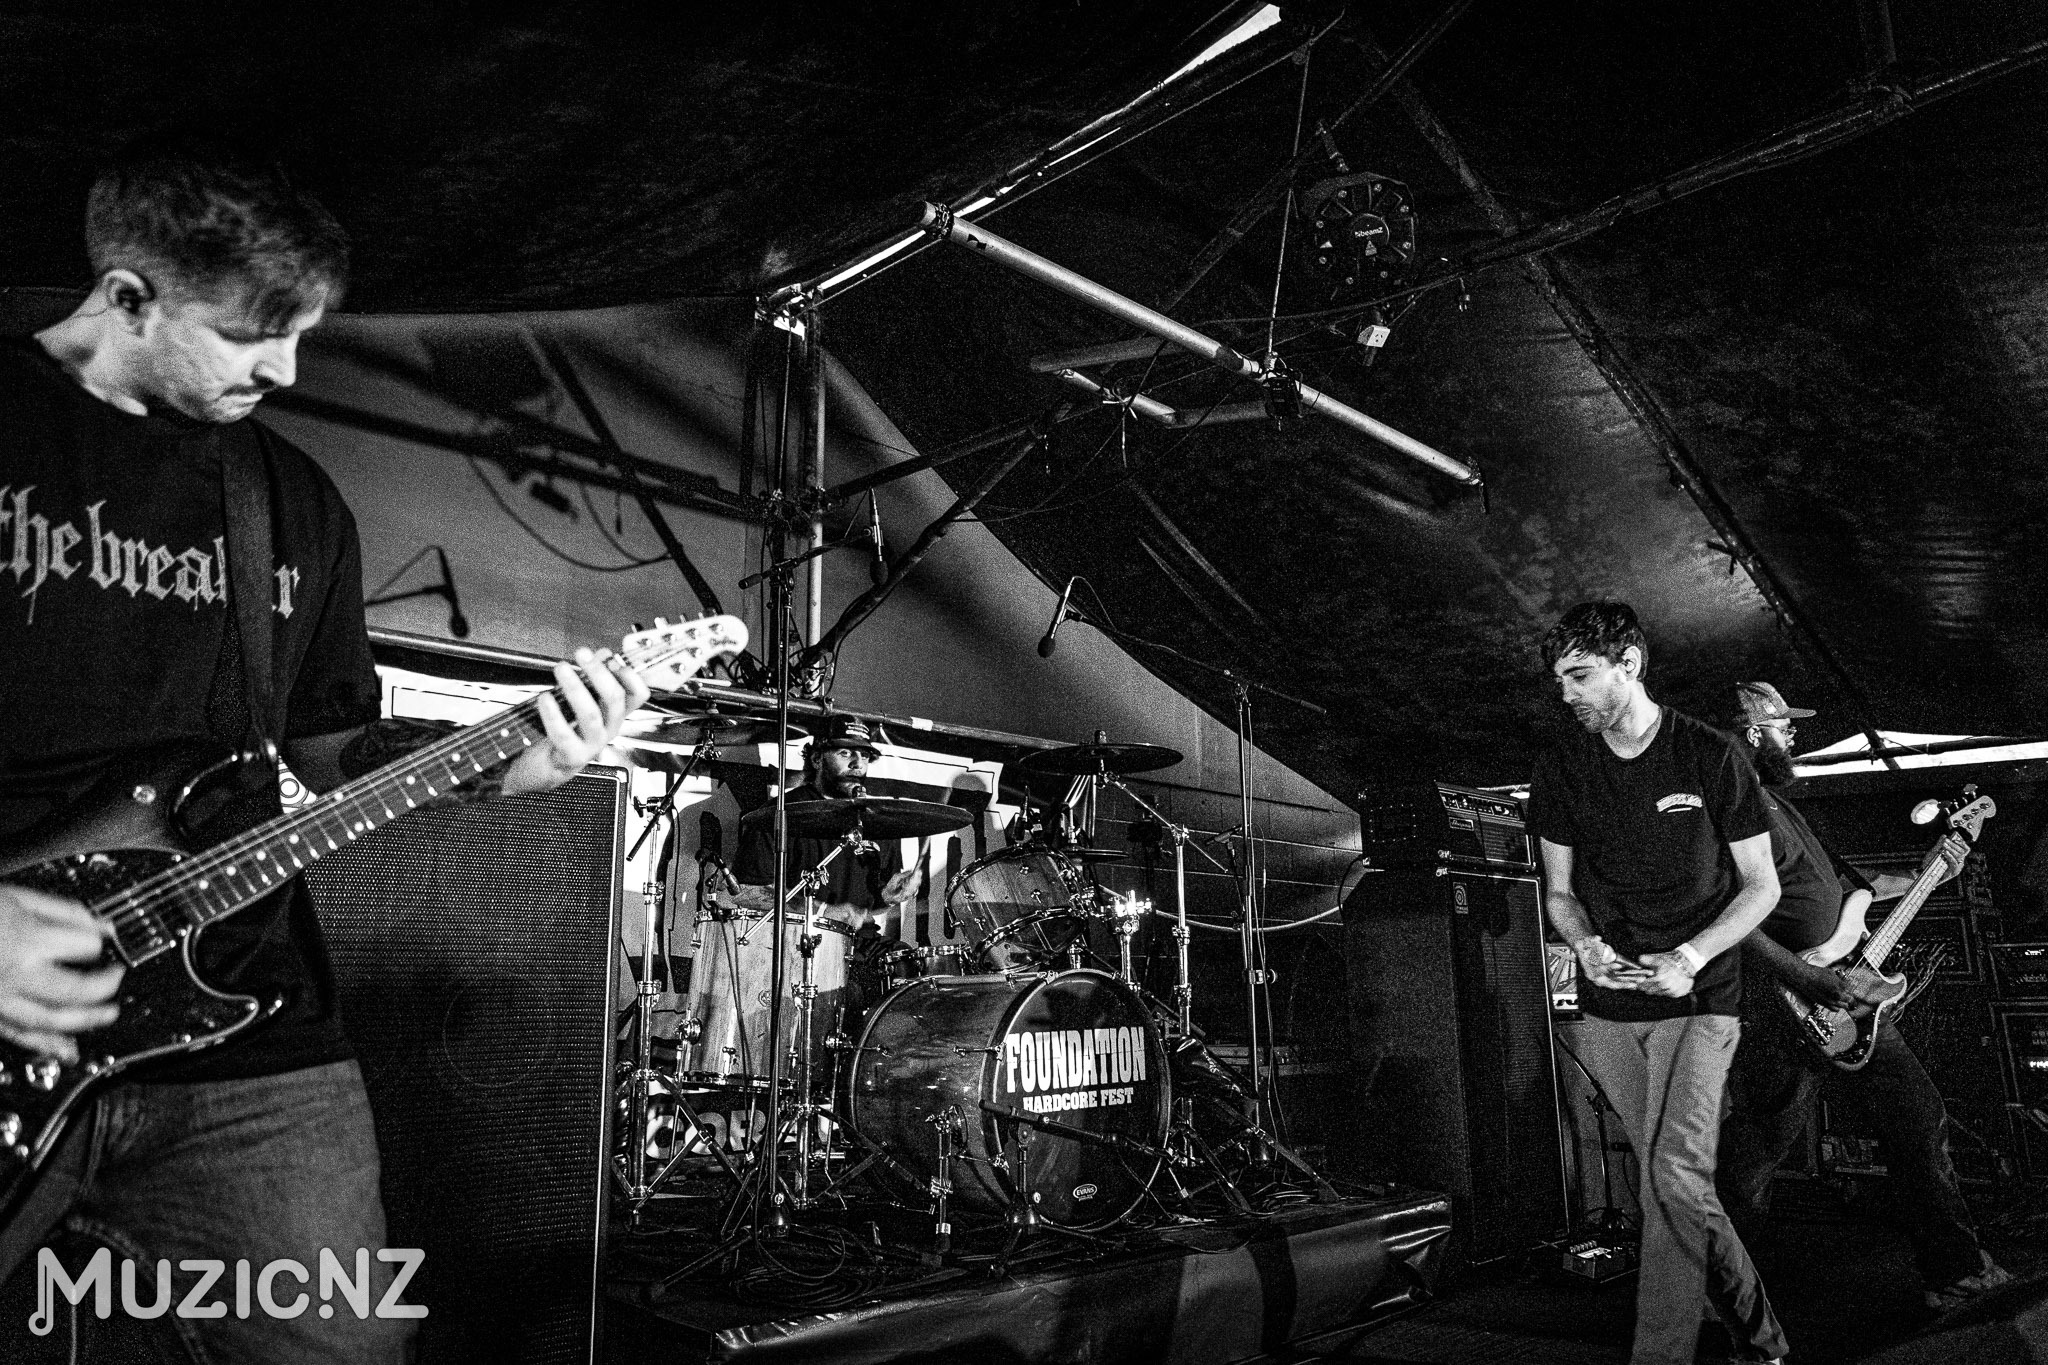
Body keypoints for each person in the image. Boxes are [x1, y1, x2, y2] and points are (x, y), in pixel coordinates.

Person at [0, 130, 648, 1362]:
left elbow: (327, 745)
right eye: (251, 336)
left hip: (246, 1036)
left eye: (301, 334)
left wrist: (503, 765)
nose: (286, 369)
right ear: (128, 297)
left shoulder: (289, 499)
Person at [1528, 602, 1788, 1365]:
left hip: (1699, 999)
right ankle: (1763, 1342)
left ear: (1630, 664)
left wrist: (1691, 956)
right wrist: (1584, 944)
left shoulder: (1710, 755)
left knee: (1671, 1176)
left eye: (1580, 675)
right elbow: (1558, 893)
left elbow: (1763, 886)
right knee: (1675, 1185)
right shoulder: (1562, 769)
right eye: (1559, 679)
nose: (1567, 693)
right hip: (1609, 1009)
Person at [1715, 681, 2011, 1313]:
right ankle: (1720, 1293)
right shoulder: (1730, 814)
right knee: (1756, 1155)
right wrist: (1802, 978)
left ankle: (1955, 1270)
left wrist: (1930, 870)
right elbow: (1726, 918)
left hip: (1849, 994)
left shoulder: (1780, 805)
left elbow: (1853, 886)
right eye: (1782, 724)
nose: (1793, 733)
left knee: (1917, 1117)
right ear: (1752, 734)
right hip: (1783, 1005)